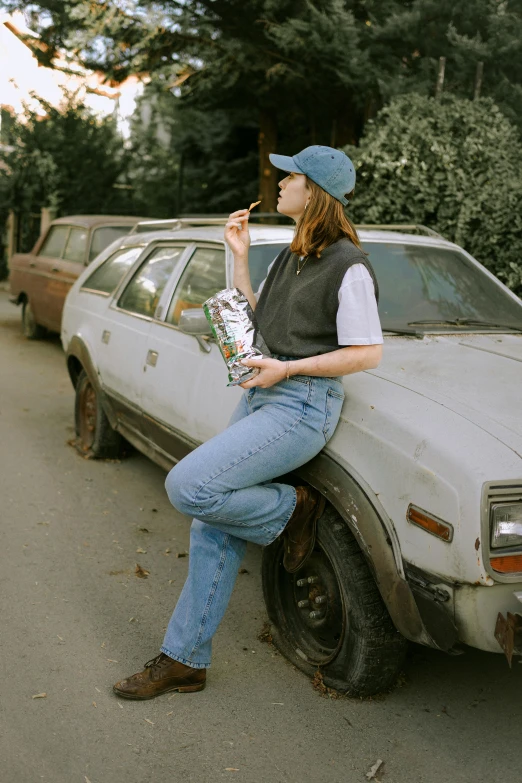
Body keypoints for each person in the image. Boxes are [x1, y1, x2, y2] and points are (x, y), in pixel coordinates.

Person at [113, 145, 383, 700]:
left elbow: (366, 353)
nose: (278, 182)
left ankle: (292, 511)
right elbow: (257, 318)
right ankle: (185, 660)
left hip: (302, 404)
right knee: (210, 523)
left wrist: (287, 367)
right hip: (265, 399)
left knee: (188, 486)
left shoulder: (348, 264)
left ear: (314, 191)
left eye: (290, 176)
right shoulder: (294, 254)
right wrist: (237, 255)